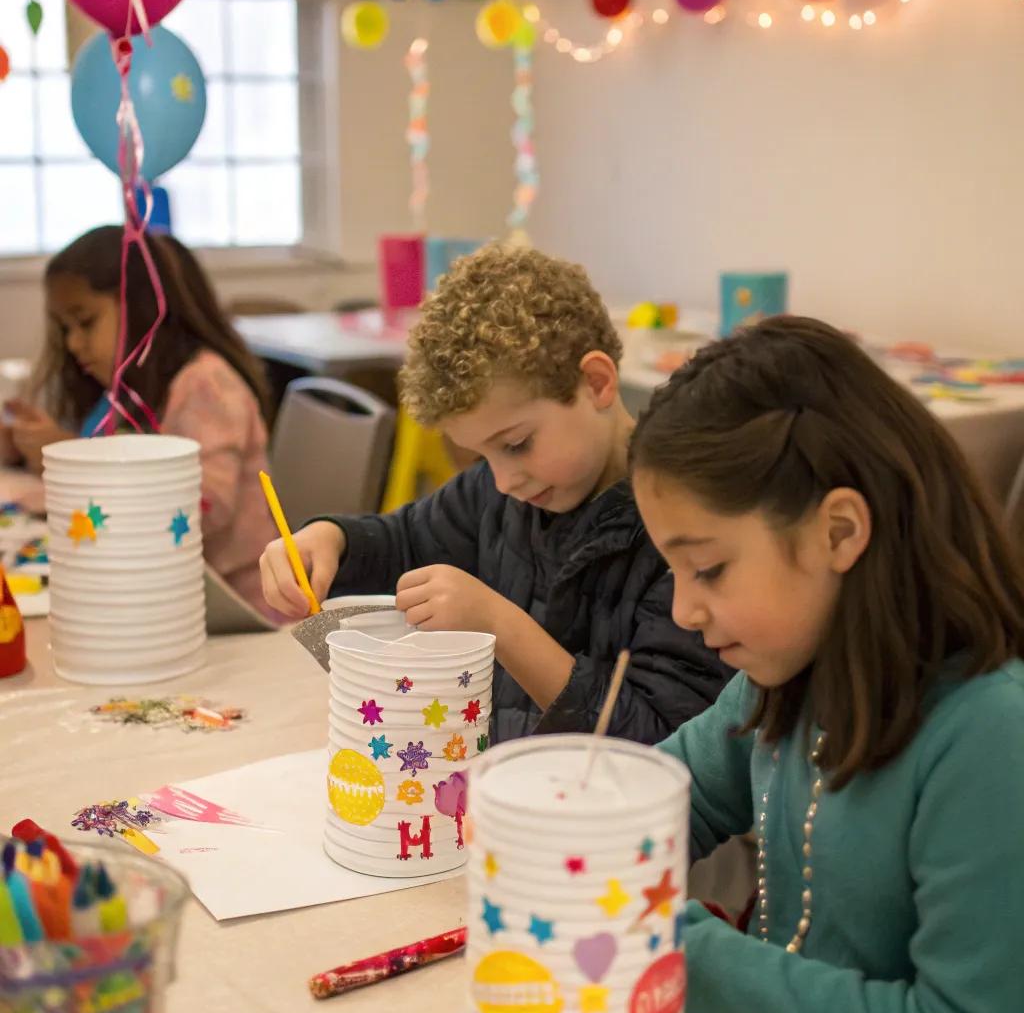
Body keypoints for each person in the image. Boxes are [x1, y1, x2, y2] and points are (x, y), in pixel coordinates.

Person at [630, 315, 1024, 1013]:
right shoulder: (781, 677)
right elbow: (660, 803)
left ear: (840, 530)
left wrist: (686, 953)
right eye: (672, 575)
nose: (686, 611)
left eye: (710, 569)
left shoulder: (988, 737)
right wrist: (563, 824)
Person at [262, 245, 727, 742]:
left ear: (596, 383)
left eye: (517, 444)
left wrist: (499, 624)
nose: (505, 480)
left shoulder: (678, 531)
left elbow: (656, 739)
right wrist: (331, 540)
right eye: (484, 456)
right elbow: (405, 541)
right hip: (496, 792)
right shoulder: (502, 493)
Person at [1, 225, 276, 612]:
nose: (73, 343)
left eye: (86, 322)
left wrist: (76, 458)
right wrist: (25, 449)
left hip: (237, 606)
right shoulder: (128, 390)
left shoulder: (205, 385)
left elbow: (204, 510)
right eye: (66, 328)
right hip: (163, 594)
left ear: (143, 311)